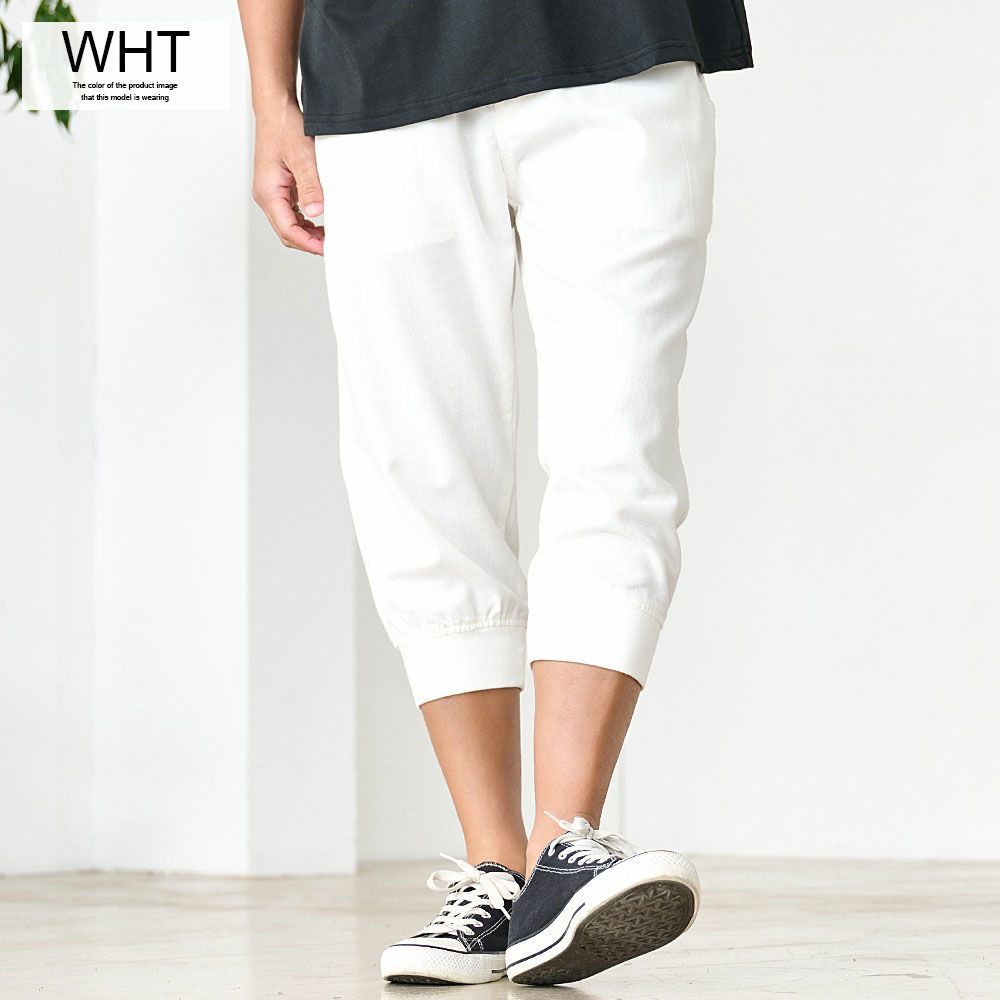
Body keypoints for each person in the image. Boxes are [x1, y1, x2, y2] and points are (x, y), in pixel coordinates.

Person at [237, 0, 751, 986]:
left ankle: (565, 848)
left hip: (621, 46)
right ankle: (497, 869)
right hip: (379, 70)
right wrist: (272, 102)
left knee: (619, 444)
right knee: (420, 467)